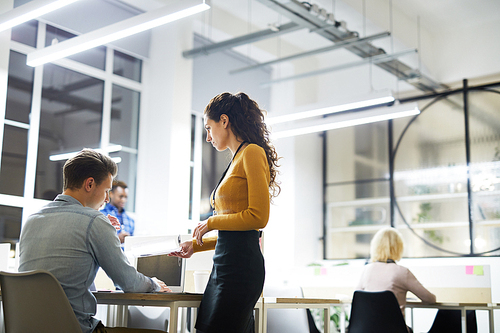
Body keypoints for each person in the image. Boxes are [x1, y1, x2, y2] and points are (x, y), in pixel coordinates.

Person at [19, 148, 171, 333]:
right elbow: (129, 283)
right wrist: (154, 283)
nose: (107, 199)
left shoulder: (32, 219)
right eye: (107, 190)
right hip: (74, 328)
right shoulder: (94, 221)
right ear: (90, 184)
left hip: (27, 327)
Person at [170, 92, 280, 333]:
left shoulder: (252, 152)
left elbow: (258, 218)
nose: (208, 137)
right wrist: (196, 245)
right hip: (224, 265)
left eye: (209, 128)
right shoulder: (236, 158)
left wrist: (211, 221)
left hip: (240, 268)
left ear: (224, 120)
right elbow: (233, 233)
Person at [356, 227, 436, 332]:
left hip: (366, 330)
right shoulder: (401, 272)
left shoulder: (367, 270)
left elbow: (356, 297)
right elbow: (429, 299)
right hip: (394, 330)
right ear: (398, 248)